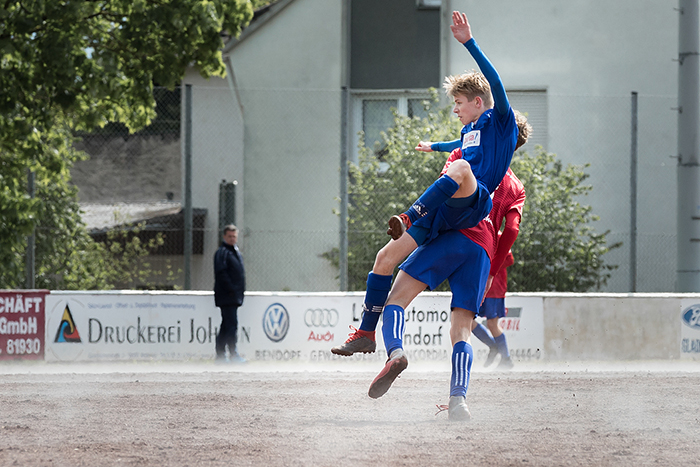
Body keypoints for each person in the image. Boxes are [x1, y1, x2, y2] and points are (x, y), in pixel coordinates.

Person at [331, 10, 521, 357]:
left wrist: (469, 43)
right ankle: (366, 333)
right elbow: (458, 145)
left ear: (478, 103)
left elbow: (495, 83)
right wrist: (433, 146)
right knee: (385, 258)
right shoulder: (469, 129)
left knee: (461, 168)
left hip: (474, 200)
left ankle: (407, 216)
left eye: (459, 103)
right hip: (450, 205)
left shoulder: (500, 119)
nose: (456, 110)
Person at [368, 164, 526, 422]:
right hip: (482, 251)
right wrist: (493, 272)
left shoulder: (468, 157)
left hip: (453, 235)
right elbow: (511, 230)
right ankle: (458, 401)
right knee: (462, 330)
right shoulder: (516, 187)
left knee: (395, 300)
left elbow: (441, 194)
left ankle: (396, 352)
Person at [471, 244, 516, 370]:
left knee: (492, 323)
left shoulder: (500, 236)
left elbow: (509, 259)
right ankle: (493, 346)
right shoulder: (480, 231)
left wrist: (488, 267)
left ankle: (506, 358)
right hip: (480, 287)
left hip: (494, 288)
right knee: (467, 320)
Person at [214, 224, 246, 363]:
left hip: (234, 297)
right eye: (230, 236)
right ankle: (232, 354)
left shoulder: (235, 252)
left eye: (234, 236)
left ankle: (221, 356)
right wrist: (231, 290)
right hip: (227, 296)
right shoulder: (223, 252)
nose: (232, 239)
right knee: (231, 325)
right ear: (224, 236)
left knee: (226, 325)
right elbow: (221, 274)